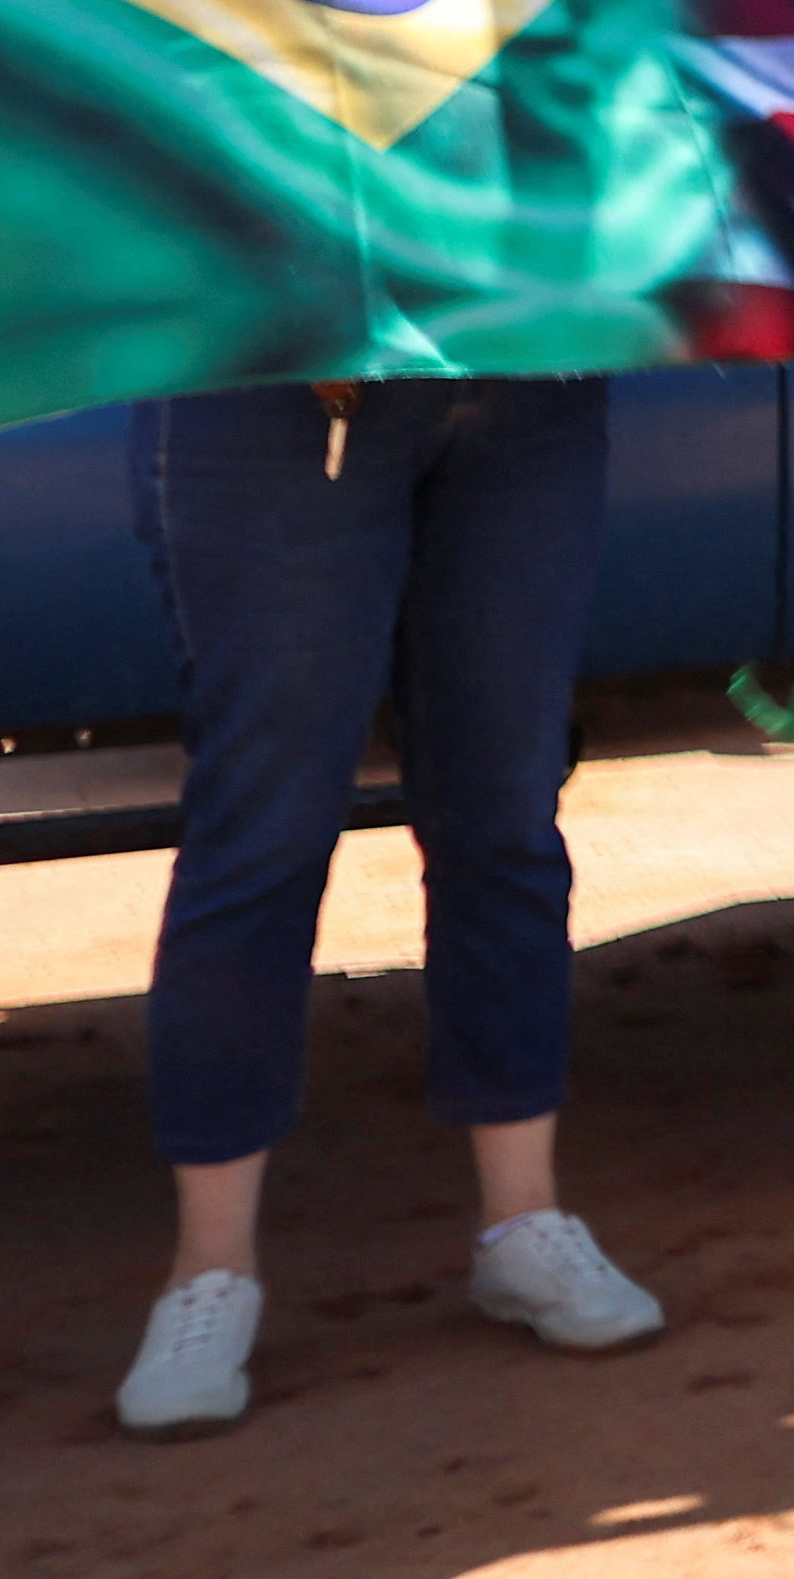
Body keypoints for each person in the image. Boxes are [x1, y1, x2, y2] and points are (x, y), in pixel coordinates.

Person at [110, 380, 660, 1435]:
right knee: (264, 829)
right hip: (271, 375)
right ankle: (208, 1275)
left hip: (519, 369)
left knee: (503, 811)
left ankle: (523, 1221)